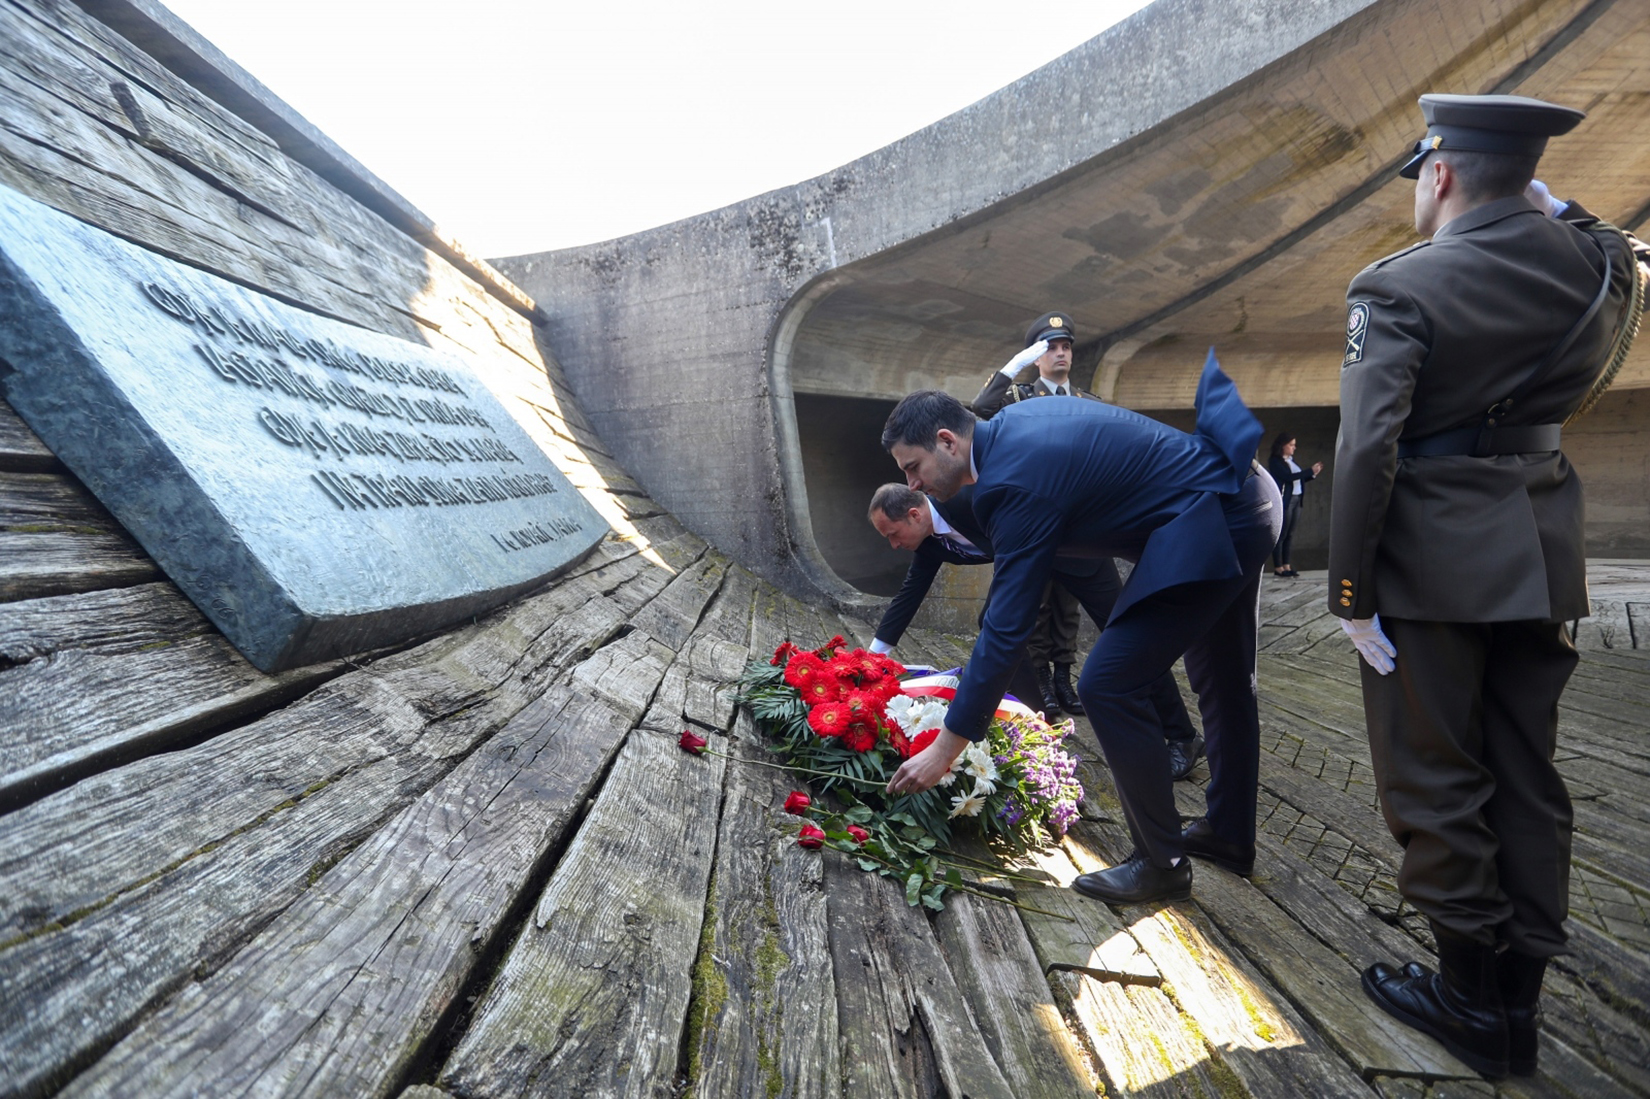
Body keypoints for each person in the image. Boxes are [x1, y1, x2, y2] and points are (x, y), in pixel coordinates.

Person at [1328, 93, 1646, 1080]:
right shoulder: (1602, 268)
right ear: (1528, 176)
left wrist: (1351, 590)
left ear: (1441, 172)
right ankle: (1517, 1008)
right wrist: (1564, 206)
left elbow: (1364, 451)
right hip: (1541, 550)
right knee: (1527, 774)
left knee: (1435, 777)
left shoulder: (1397, 286)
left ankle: (1467, 1001)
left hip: (1431, 565)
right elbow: (1606, 240)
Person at [881, 352, 1281, 905]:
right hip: (1242, 495)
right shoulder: (1012, 430)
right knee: (1226, 682)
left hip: (1220, 517)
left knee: (1109, 684)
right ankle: (1231, 835)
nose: (912, 484)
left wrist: (946, 748)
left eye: (912, 468)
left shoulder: (1011, 479)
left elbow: (1006, 626)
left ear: (948, 442)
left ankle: (1160, 864)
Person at [866, 483, 1202, 777]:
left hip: (1071, 548)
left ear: (914, 514)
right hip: (1023, 562)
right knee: (994, 625)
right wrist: (870, 661)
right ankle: (1038, 725)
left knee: (1128, 632)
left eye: (892, 535)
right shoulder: (926, 541)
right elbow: (910, 593)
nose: (893, 545)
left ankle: (1183, 737)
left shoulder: (963, 498)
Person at [970, 311, 1104, 718]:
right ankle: (1042, 679)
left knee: (1068, 604)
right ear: (1037, 355)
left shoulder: (1089, 403)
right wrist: (1013, 368)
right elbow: (979, 410)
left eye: (1065, 347)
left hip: (1079, 521)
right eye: (1050, 348)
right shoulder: (1019, 397)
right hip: (1034, 520)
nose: (1060, 353)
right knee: (1037, 601)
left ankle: (1065, 676)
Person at [1266, 432, 1323, 578]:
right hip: (1286, 501)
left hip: (1297, 499)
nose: (1294, 448)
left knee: (1290, 534)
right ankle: (1278, 567)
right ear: (1282, 446)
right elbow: (1288, 478)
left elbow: (1298, 479)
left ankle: (1287, 565)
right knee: (1282, 534)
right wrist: (1308, 471)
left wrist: (1312, 474)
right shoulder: (1275, 461)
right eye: (1291, 445)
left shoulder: (1291, 461)